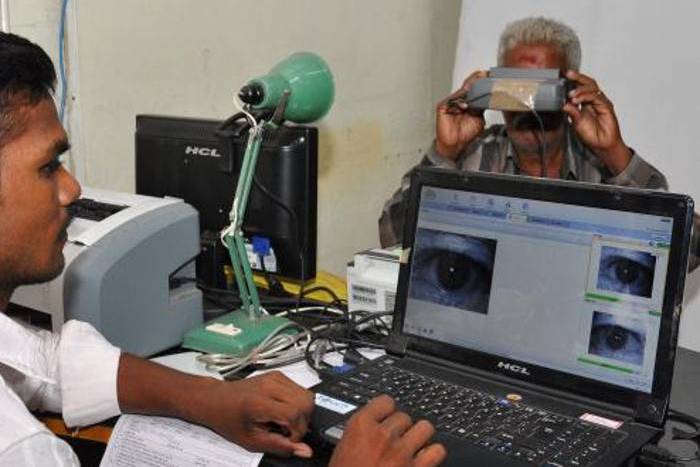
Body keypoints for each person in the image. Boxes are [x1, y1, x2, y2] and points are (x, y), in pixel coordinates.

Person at [0, 32, 446, 466]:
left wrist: (212, 397)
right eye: (48, 166)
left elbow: (47, 365)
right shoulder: (22, 449)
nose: (71, 189)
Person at [379, 17, 694, 259]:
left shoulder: (600, 166)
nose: (528, 105)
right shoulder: (475, 157)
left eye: (541, 89)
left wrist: (615, 155)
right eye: (515, 88)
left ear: (572, 91)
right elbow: (392, 237)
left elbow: (688, 251)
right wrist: (445, 152)